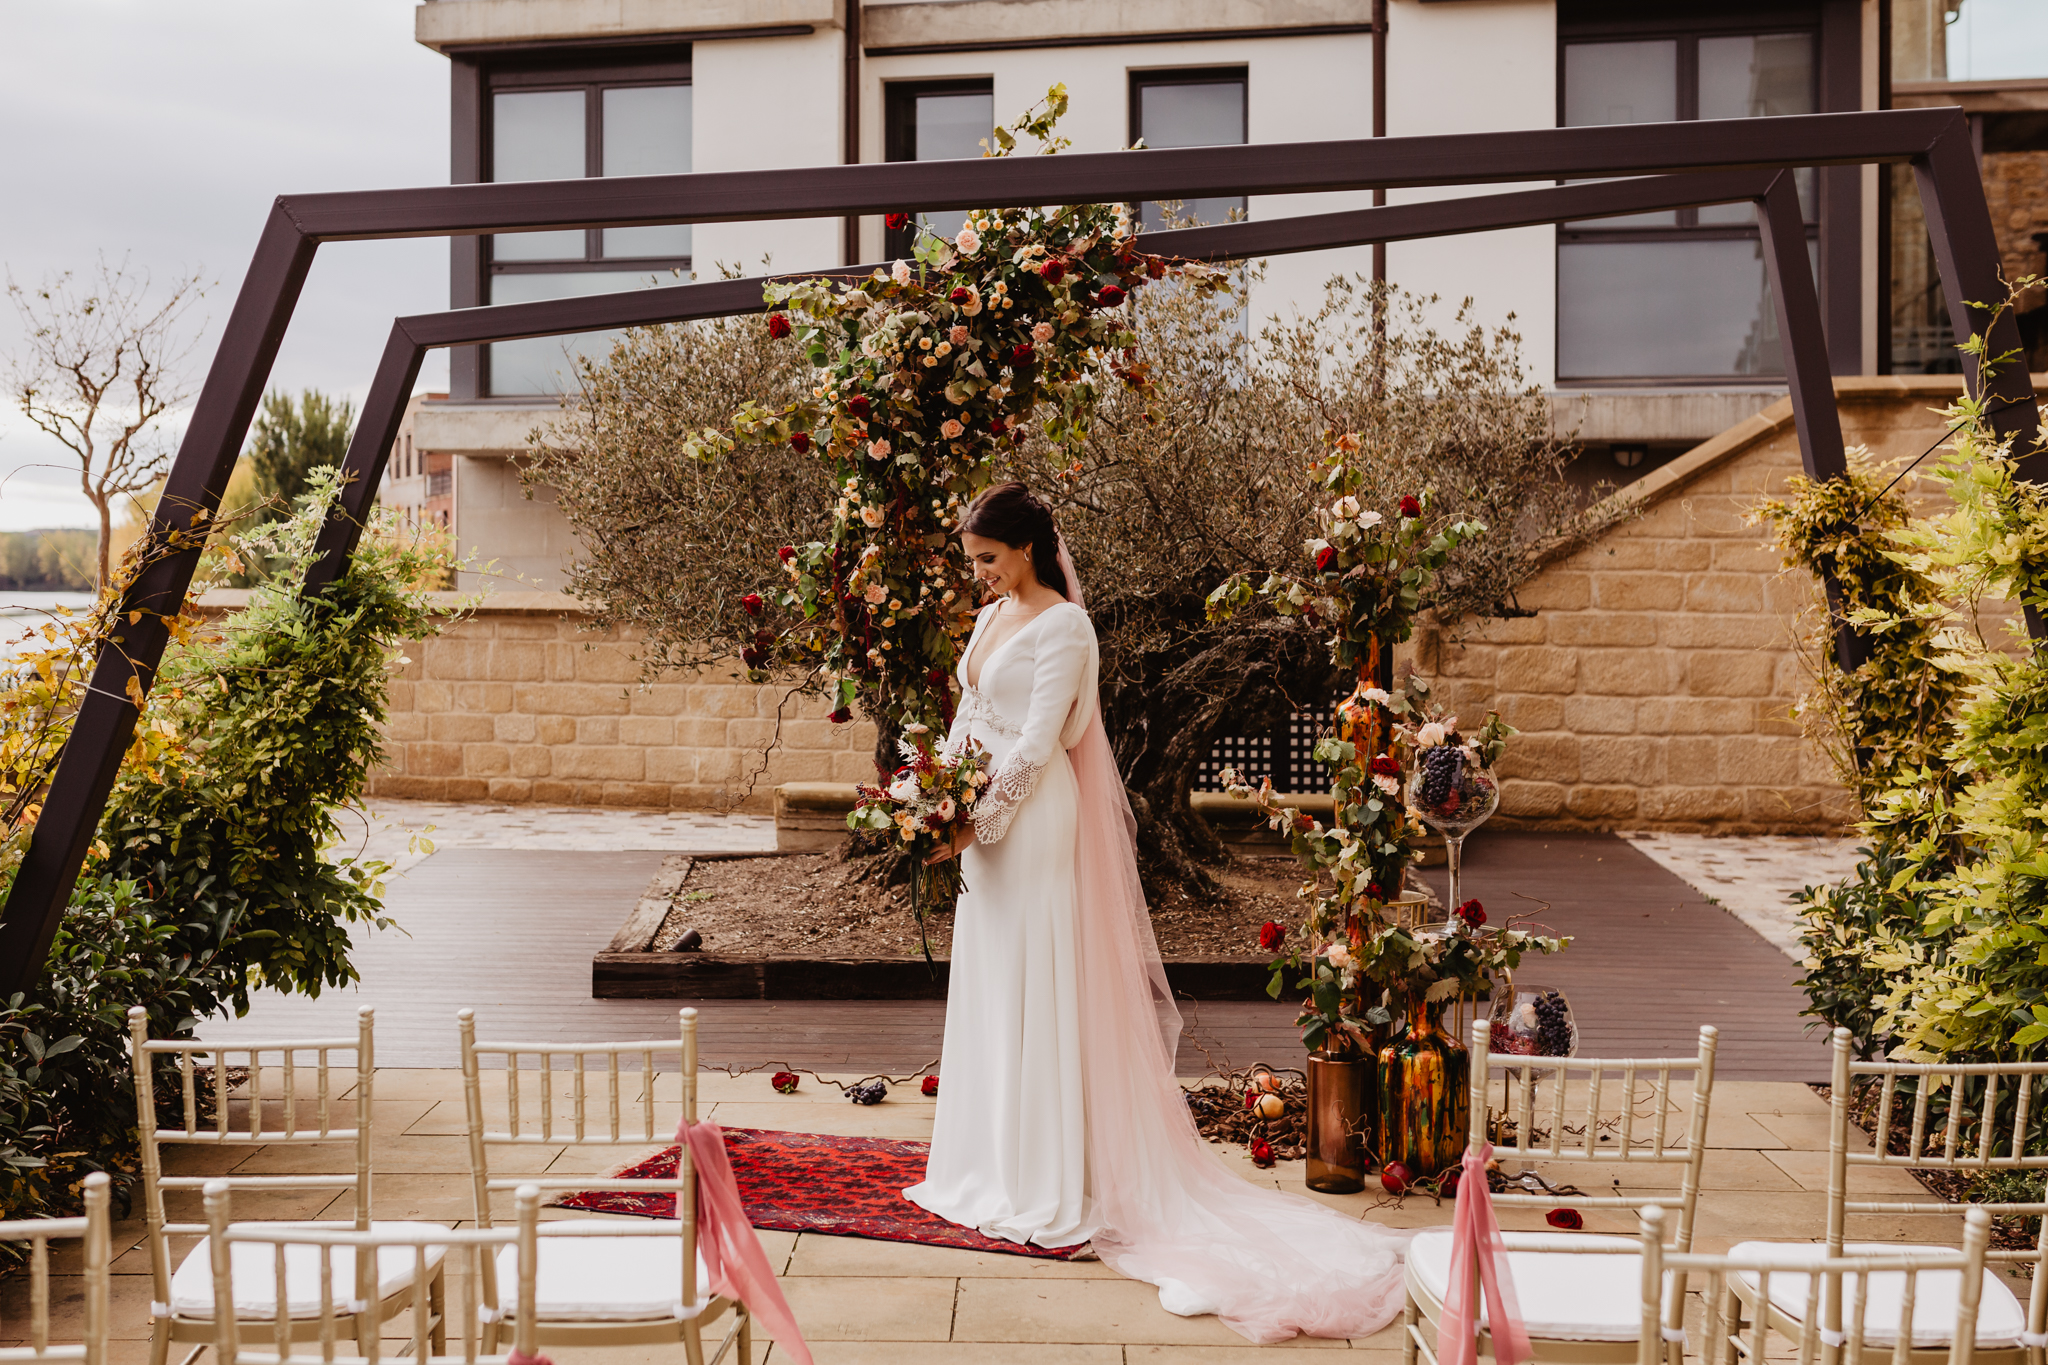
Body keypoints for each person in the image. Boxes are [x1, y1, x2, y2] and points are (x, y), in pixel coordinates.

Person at [902, 482, 1412, 1344]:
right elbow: (968, 719)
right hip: (981, 833)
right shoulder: (989, 620)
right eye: (972, 561)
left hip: (1030, 823)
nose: (978, 575)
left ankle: (1048, 1176)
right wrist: (934, 803)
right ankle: (987, 1161)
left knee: (1040, 987)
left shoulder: (1066, 627)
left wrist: (978, 820)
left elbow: (1036, 740)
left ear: (1026, 549)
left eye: (987, 559)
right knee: (994, 989)